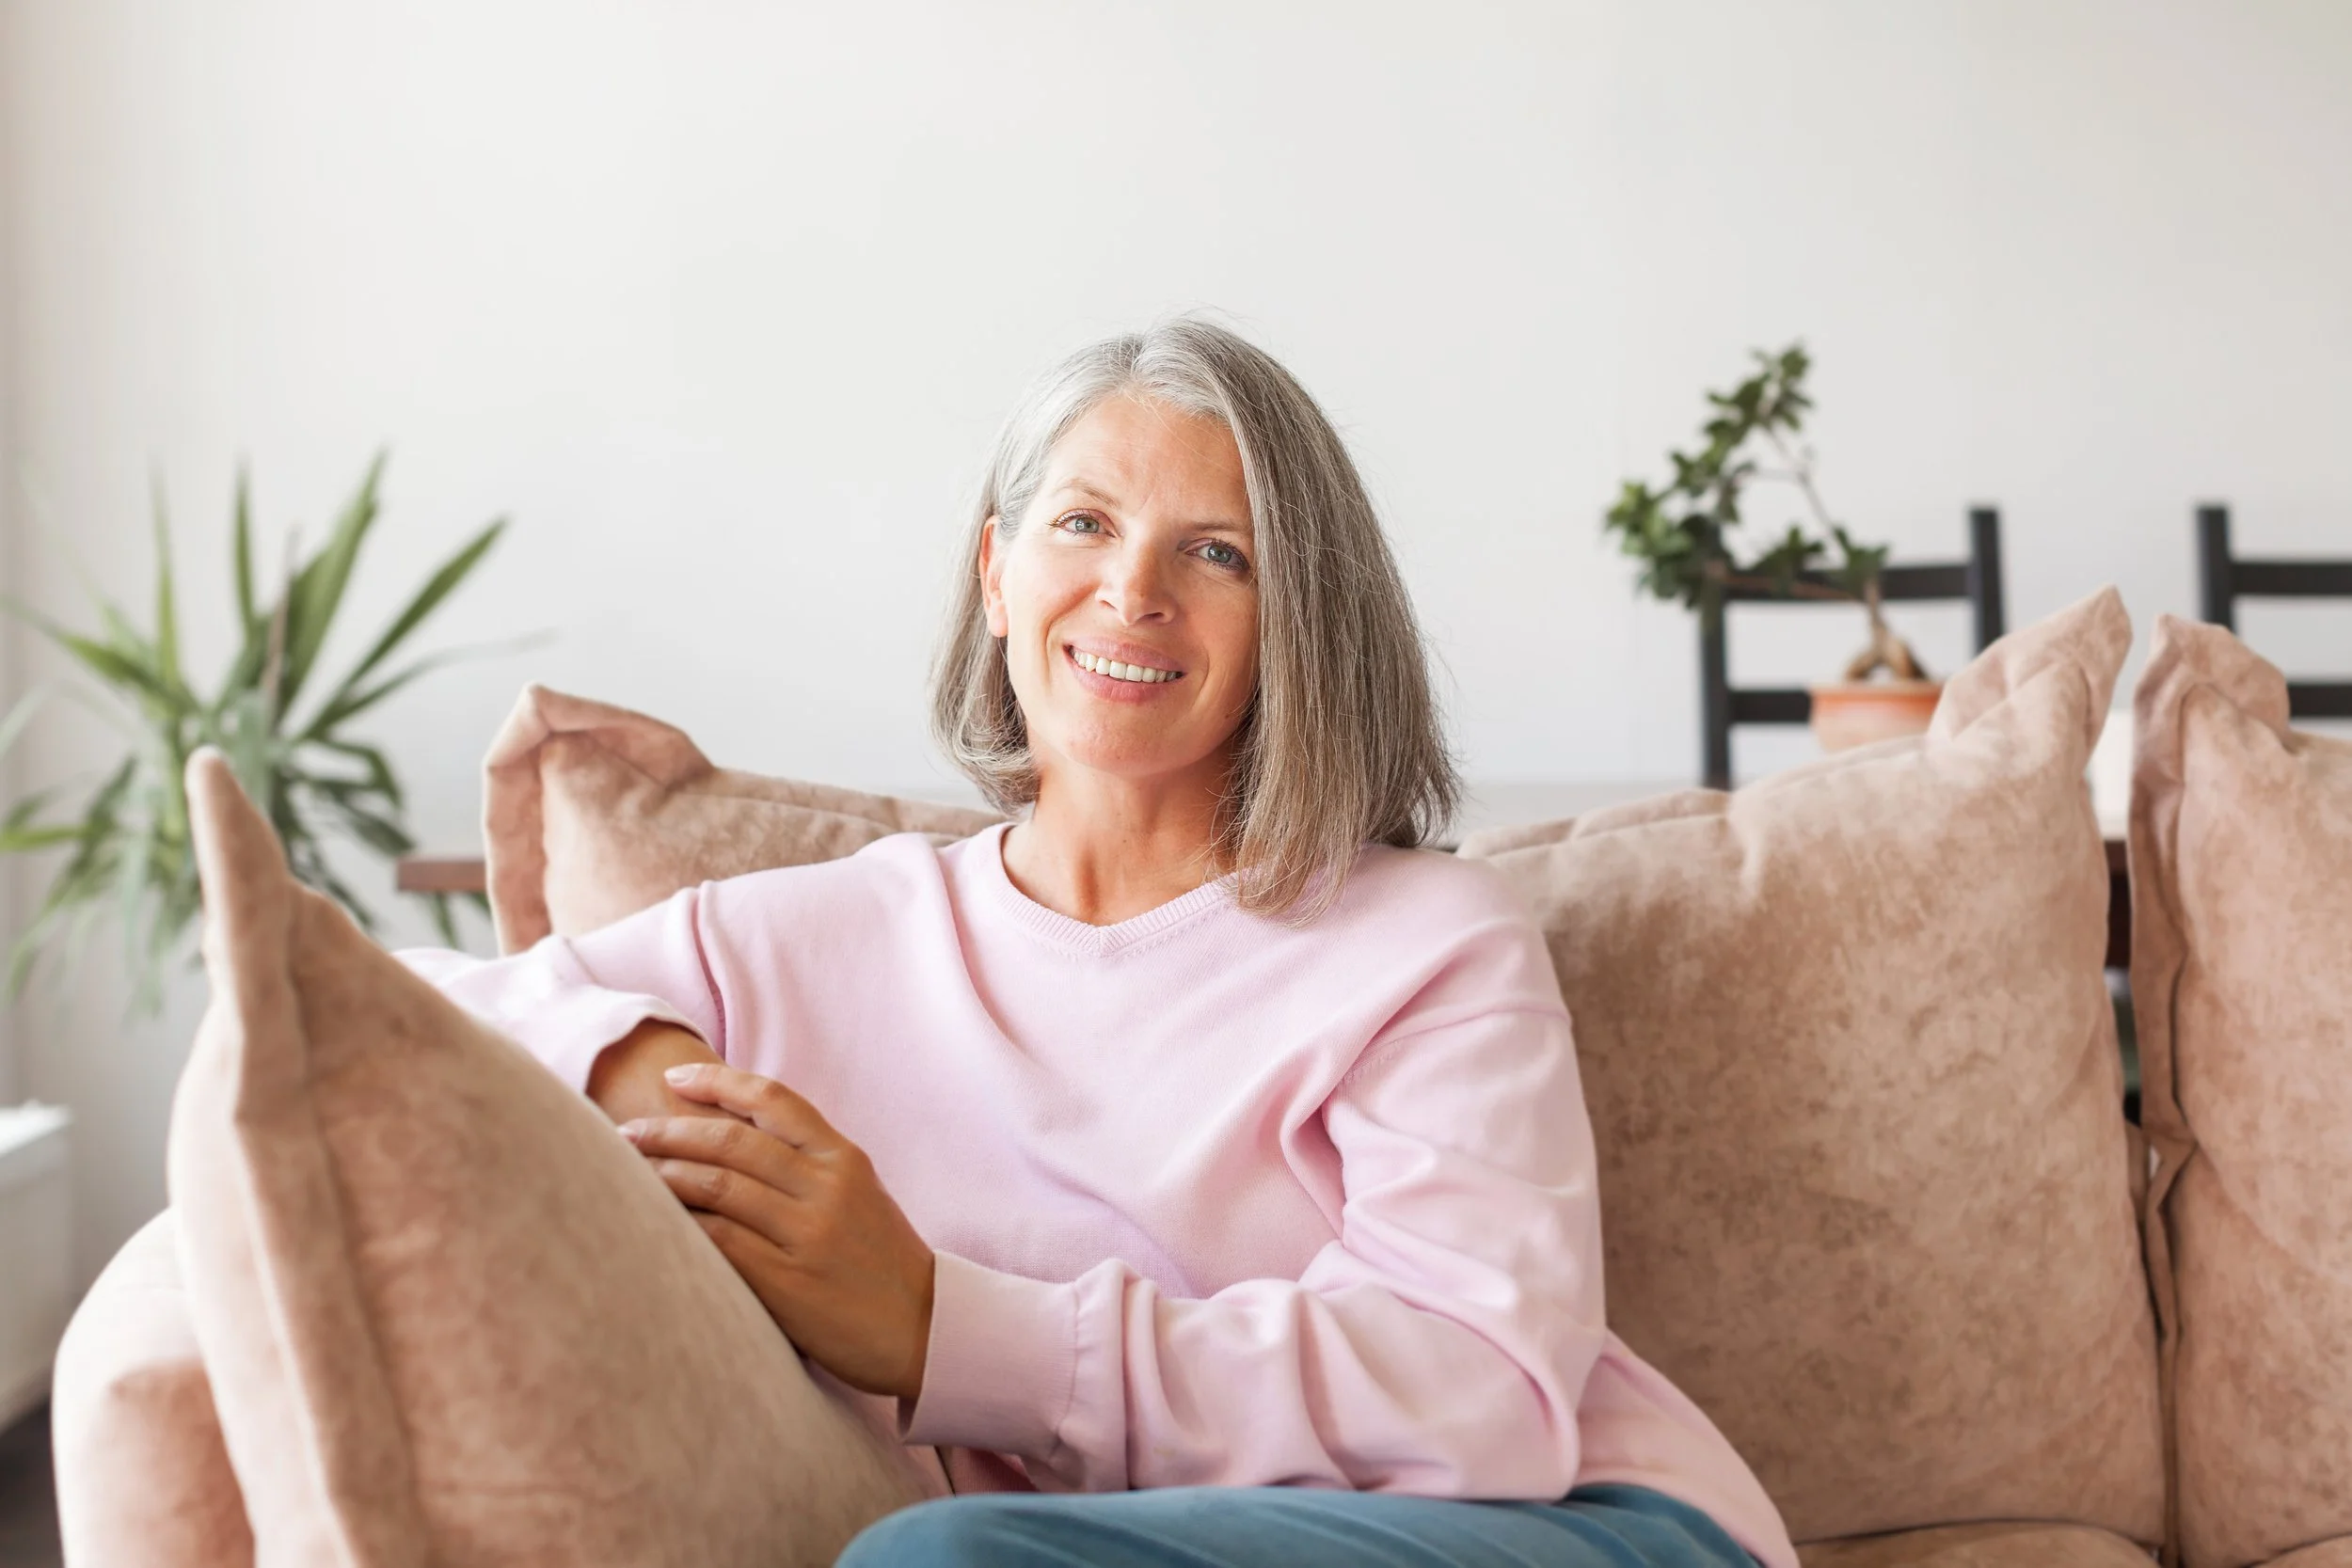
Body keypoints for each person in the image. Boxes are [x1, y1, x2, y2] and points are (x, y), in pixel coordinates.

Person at [406, 318, 1795, 1568]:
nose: (1133, 591)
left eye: (1217, 551)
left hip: (1571, 1525)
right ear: (997, 572)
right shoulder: (818, 937)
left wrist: (940, 1324)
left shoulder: (1431, 944)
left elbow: (1484, 1395)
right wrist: (661, 1083)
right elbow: (401, 1018)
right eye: (1082, 522)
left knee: (937, 1566)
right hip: (1086, 1543)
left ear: (1293, 628)